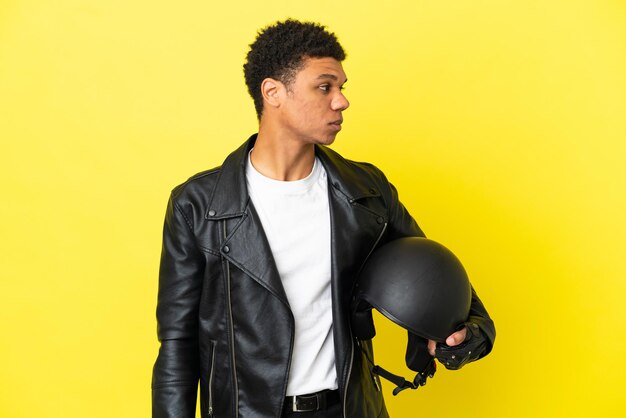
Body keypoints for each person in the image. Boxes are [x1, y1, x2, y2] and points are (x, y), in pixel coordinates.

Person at [151, 19, 495, 418]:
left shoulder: (365, 192)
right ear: (273, 92)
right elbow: (177, 344)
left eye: (342, 88)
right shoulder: (197, 206)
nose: (341, 101)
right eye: (324, 86)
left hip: (348, 408)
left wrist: (464, 337)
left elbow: (440, 285)